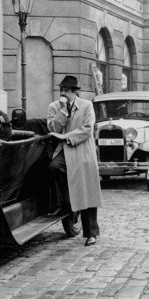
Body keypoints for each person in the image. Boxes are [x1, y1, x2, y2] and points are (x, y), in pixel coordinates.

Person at [47, 75, 103, 247]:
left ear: (74, 92)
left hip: (82, 149)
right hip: (63, 149)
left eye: (67, 91)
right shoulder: (54, 107)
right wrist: (63, 112)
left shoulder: (86, 105)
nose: (63, 94)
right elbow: (53, 128)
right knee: (54, 167)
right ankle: (67, 201)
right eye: (61, 90)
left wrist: (66, 136)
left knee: (86, 188)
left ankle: (91, 233)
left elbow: (87, 129)